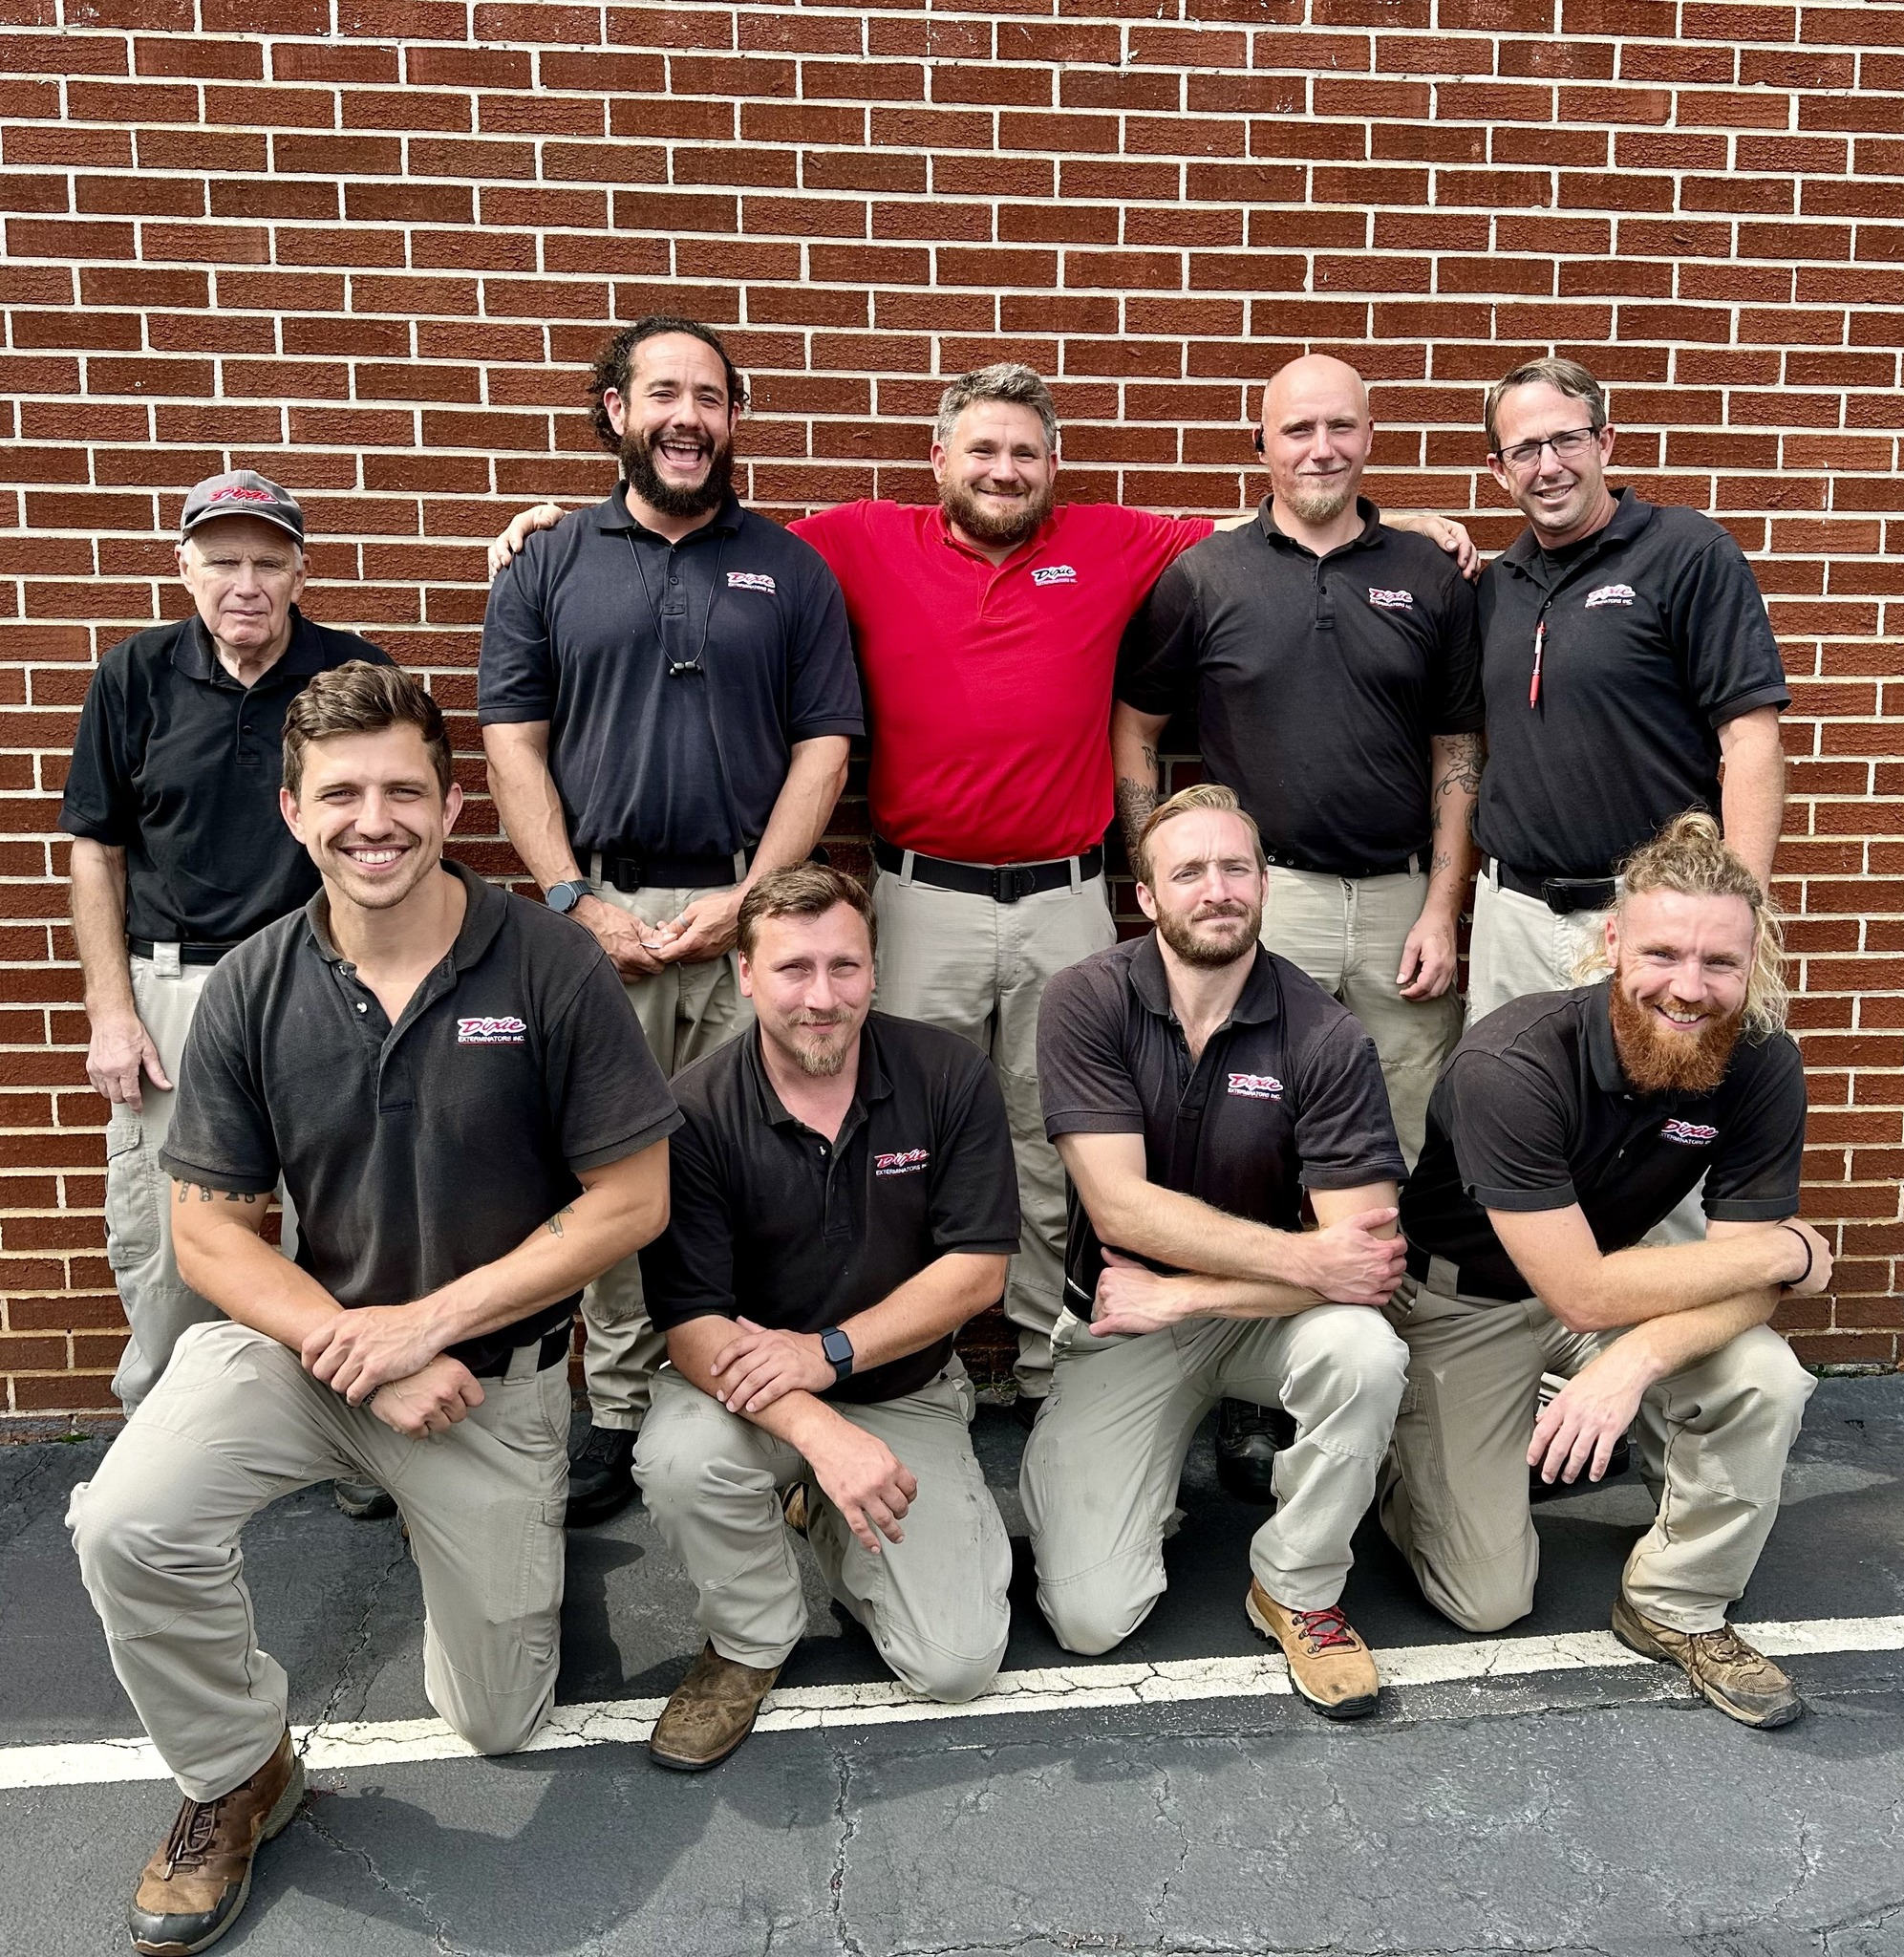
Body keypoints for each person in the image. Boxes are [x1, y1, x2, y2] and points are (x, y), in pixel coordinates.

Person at [490, 361, 1472, 1425]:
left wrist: (1399, 516)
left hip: (1062, 897)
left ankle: (1056, 1366)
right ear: (938, 461)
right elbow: (712, 533)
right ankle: (909, 1370)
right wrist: (558, 525)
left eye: (1023, 453)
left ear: (1053, 467)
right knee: (888, 1136)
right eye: (982, 450)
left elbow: (1284, 516)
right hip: (921, 901)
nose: (1003, 471)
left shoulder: (1113, 543)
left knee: (1059, 1138)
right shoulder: (859, 540)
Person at [66, 664, 680, 1955]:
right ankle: (236, 1772)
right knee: (124, 1519)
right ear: (294, 811)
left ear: (453, 803)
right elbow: (210, 1235)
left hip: (487, 1388)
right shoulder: (250, 984)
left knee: (496, 1722)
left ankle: (491, 1550)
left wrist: (430, 1327)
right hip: (304, 1351)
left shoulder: (552, 967)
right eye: (340, 792)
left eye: (405, 787)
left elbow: (630, 1202)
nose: (373, 817)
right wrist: (369, 1353)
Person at [479, 314, 862, 1523]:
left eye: (709, 396)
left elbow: (825, 743)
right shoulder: (546, 563)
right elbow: (510, 743)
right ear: (616, 411)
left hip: (746, 903)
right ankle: (624, 1406)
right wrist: (568, 897)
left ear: (734, 420)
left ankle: (760, 1388)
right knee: (608, 1168)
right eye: (662, 393)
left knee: (759, 1154)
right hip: (597, 906)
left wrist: (752, 899)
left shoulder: (790, 569)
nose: (686, 416)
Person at [1113, 355, 1483, 1499]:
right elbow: (1135, 729)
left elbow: (1456, 753)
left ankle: (1385, 1367)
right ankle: (1247, 1389)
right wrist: (1157, 858)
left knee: (1407, 1141)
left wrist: (1441, 902)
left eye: (1339, 426)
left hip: (1397, 899)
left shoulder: (1428, 571)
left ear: (1370, 435)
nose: (1318, 447)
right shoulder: (1204, 574)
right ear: (1258, 440)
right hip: (1260, 896)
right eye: (1295, 428)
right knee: (1247, 1137)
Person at [1384, 813, 1828, 1728]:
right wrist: (1793, 1252)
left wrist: (1631, 1364)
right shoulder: (1513, 1061)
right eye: (1664, 953)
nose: (1690, 988)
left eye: (1720, 964)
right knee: (1486, 1602)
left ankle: (1675, 1601)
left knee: (1767, 1378)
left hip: (1619, 1290)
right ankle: (1409, 1465)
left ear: (1754, 964)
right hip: (1465, 1299)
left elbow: (1740, 1288)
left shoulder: (1762, 1060)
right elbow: (1585, 1289)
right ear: (1613, 941)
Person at [1023, 785, 1410, 1718]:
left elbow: (1360, 1257)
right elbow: (1119, 1209)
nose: (1215, 888)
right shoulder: (1087, 999)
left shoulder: (1322, 1032)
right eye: (1187, 871)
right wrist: (1307, 1259)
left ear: (1263, 884)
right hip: (1124, 1321)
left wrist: (1190, 1293)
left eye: (1234, 867)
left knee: (1365, 1350)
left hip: (1243, 1316)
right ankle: (1123, 1477)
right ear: (1147, 896)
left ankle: (1297, 1583)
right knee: (1088, 1614)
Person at [634, 864, 1017, 1769]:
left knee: (955, 1664)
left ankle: (829, 1516)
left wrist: (831, 1353)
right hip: (752, 1393)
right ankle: (749, 1639)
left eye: (844, 968)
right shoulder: (692, 1112)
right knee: (680, 1461)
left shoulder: (949, 1076)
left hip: (904, 1389)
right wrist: (819, 1427)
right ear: (744, 976)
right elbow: (692, 1326)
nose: (822, 997)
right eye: (793, 969)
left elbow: (977, 1274)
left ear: (876, 972)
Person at [59, 474, 394, 1445]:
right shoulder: (134, 676)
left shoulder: (349, 675)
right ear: (185, 568)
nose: (245, 583)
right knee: (168, 1227)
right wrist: (111, 1010)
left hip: (319, 981)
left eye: (266, 560)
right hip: (175, 990)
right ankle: (166, 1435)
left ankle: (342, 1434)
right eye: (222, 560)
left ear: (300, 570)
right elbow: (95, 847)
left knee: (336, 1214)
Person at [1468, 355, 1789, 1022]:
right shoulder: (1497, 586)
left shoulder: (1688, 555)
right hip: (1511, 918)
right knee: (1509, 1112)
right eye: (1524, 449)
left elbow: (1751, 740)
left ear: (1605, 441)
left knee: (1651, 1118)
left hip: (1650, 924)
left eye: (1567, 439)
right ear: (1499, 471)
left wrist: (1737, 915)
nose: (1548, 465)